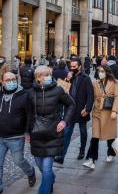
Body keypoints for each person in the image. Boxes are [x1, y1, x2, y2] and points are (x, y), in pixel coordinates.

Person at [28, 66, 75, 194]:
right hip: (37, 134)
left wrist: (64, 121)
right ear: (38, 78)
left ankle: (44, 190)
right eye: (45, 75)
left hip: (54, 132)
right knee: (39, 164)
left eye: (49, 74)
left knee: (47, 168)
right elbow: (28, 113)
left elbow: (71, 104)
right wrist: (28, 131)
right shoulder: (31, 92)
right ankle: (51, 179)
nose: (48, 77)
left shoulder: (58, 90)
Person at [0, 72, 36, 194]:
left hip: (16, 136)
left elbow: (30, 115)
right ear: (3, 82)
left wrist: (27, 132)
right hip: (0, 137)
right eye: (8, 80)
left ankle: (30, 172)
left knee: (18, 161)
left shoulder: (24, 95)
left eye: (13, 79)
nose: (11, 81)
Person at [55, 57, 94, 164]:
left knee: (83, 131)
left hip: (82, 110)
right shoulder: (68, 77)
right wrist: (67, 79)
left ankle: (82, 150)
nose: (72, 69)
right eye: (70, 67)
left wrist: (88, 108)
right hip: (70, 111)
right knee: (67, 132)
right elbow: (59, 91)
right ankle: (61, 156)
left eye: (74, 67)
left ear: (79, 67)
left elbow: (91, 95)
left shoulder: (86, 78)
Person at [83, 65, 118, 169]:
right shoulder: (95, 83)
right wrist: (87, 108)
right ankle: (92, 159)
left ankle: (110, 152)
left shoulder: (114, 82)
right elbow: (91, 96)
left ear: (107, 72)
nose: (100, 73)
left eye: (102, 71)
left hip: (109, 113)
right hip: (97, 112)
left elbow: (117, 97)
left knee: (109, 136)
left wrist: (114, 111)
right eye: (99, 71)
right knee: (95, 137)